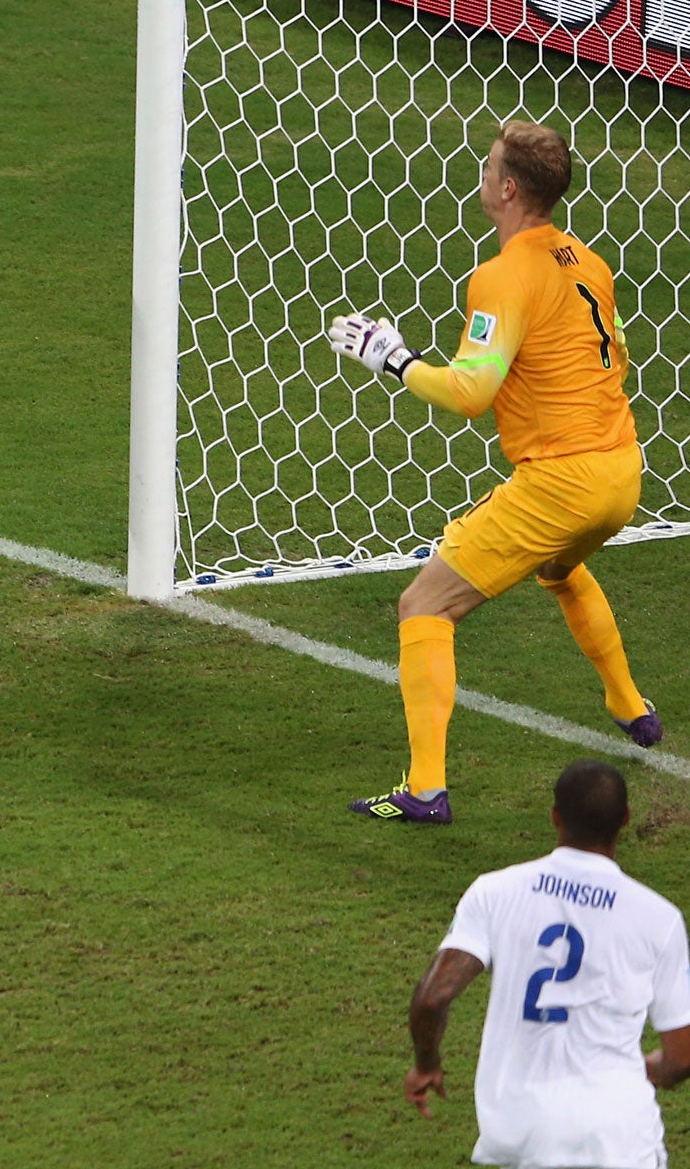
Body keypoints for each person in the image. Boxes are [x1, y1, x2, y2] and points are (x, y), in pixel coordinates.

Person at [327, 119, 658, 825]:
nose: (480, 175)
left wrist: (396, 359)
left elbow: (474, 393)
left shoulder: (501, 277)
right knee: (561, 571)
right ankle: (632, 707)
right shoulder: (589, 262)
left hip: (562, 483)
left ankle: (424, 790)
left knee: (424, 605)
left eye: (488, 166)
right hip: (623, 474)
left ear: (508, 188)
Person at [404, 760, 690, 1167]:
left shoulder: (494, 892)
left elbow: (433, 997)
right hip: (616, 1139)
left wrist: (426, 1064)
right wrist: (636, 1070)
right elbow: (682, 1057)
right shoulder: (658, 919)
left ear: (555, 816)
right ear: (625, 820)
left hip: (520, 1132)